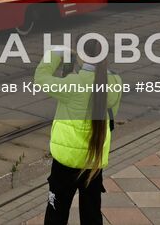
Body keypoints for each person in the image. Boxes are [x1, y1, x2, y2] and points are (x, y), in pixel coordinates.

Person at [34, 48, 122, 224]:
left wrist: (56, 54)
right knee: (91, 212)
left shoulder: (72, 83)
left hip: (67, 161)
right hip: (94, 159)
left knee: (56, 212)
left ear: (80, 56)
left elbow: (41, 78)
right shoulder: (114, 82)